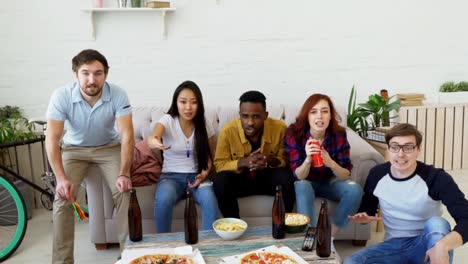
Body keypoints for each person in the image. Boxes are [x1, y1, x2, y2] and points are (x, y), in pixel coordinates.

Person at [45, 49, 134, 263]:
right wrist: (61, 179)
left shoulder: (118, 94)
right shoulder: (61, 96)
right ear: (76, 74)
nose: (92, 79)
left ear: (106, 74)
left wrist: (124, 173)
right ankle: (62, 261)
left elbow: (127, 135)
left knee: (124, 191)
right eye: (85, 73)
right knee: (62, 198)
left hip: (108, 147)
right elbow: (53, 139)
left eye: (98, 73)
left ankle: (129, 256)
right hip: (74, 150)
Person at [346, 123, 468, 264]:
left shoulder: (436, 178)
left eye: (408, 147)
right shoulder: (377, 174)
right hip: (392, 246)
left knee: (438, 224)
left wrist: (443, 246)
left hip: (426, 244)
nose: (401, 154)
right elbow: (368, 207)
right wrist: (364, 216)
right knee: (352, 261)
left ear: (418, 150)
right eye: (395, 147)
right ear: (388, 149)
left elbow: (466, 217)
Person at [284, 94, 363, 249]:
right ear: (307, 115)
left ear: (330, 115)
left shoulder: (338, 134)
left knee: (355, 190)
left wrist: (331, 163)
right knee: (301, 185)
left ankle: (328, 237)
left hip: (330, 181)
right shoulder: (294, 133)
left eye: (324, 111)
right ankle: (311, 236)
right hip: (307, 181)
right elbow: (299, 175)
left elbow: (346, 174)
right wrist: (307, 159)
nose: (319, 116)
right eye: (313, 112)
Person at [148, 80, 219, 232]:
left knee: (210, 200)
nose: (188, 107)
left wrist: (204, 174)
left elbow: (209, 155)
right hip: (170, 177)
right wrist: (155, 142)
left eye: (193, 102)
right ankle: (164, 244)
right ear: (176, 103)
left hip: (197, 176)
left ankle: (210, 245)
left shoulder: (204, 123)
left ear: (199, 104)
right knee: (164, 199)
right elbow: (153, 137)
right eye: (183, 102)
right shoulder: (167, 120)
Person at [213, 90, 295, 218]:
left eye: (256, 116)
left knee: (286, 177)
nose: (250, 122)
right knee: (220, 180)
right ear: (239, 115)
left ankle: (281, 225)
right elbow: (219, 165)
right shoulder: (228, 131)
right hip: (241, 180)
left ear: (265, 115)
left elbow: (286, 160)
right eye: (245, 116)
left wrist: (270, 160)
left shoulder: (279, 128)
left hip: (268, 178)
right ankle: (234, 226)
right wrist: (243, 162)